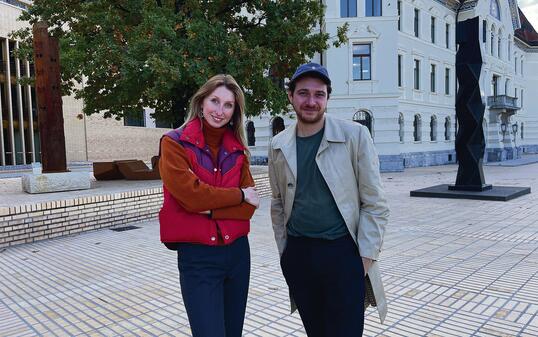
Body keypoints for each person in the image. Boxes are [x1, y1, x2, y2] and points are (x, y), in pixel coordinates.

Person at [268, 63, 389, 337]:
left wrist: (364, 259)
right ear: (291, 96)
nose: (311, 101)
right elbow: (277, 203)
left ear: (327, 98)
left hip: (343, 255)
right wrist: (285, 252)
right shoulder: (278, 144)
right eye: (303, 93)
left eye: (319, 94)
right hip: (299, 255)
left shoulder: (354, 136)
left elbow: (375, 203)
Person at [159, 74, 260, 337]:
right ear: (201, 101)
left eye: (228, 105)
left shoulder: (238, 149)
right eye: (215, 101)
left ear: (235, 111)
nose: (220, 110)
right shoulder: (174, 143)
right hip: (199, 257)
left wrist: (210, 206)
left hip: (238, 254)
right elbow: (191, 197)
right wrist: (237, 195)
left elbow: (250, 207)